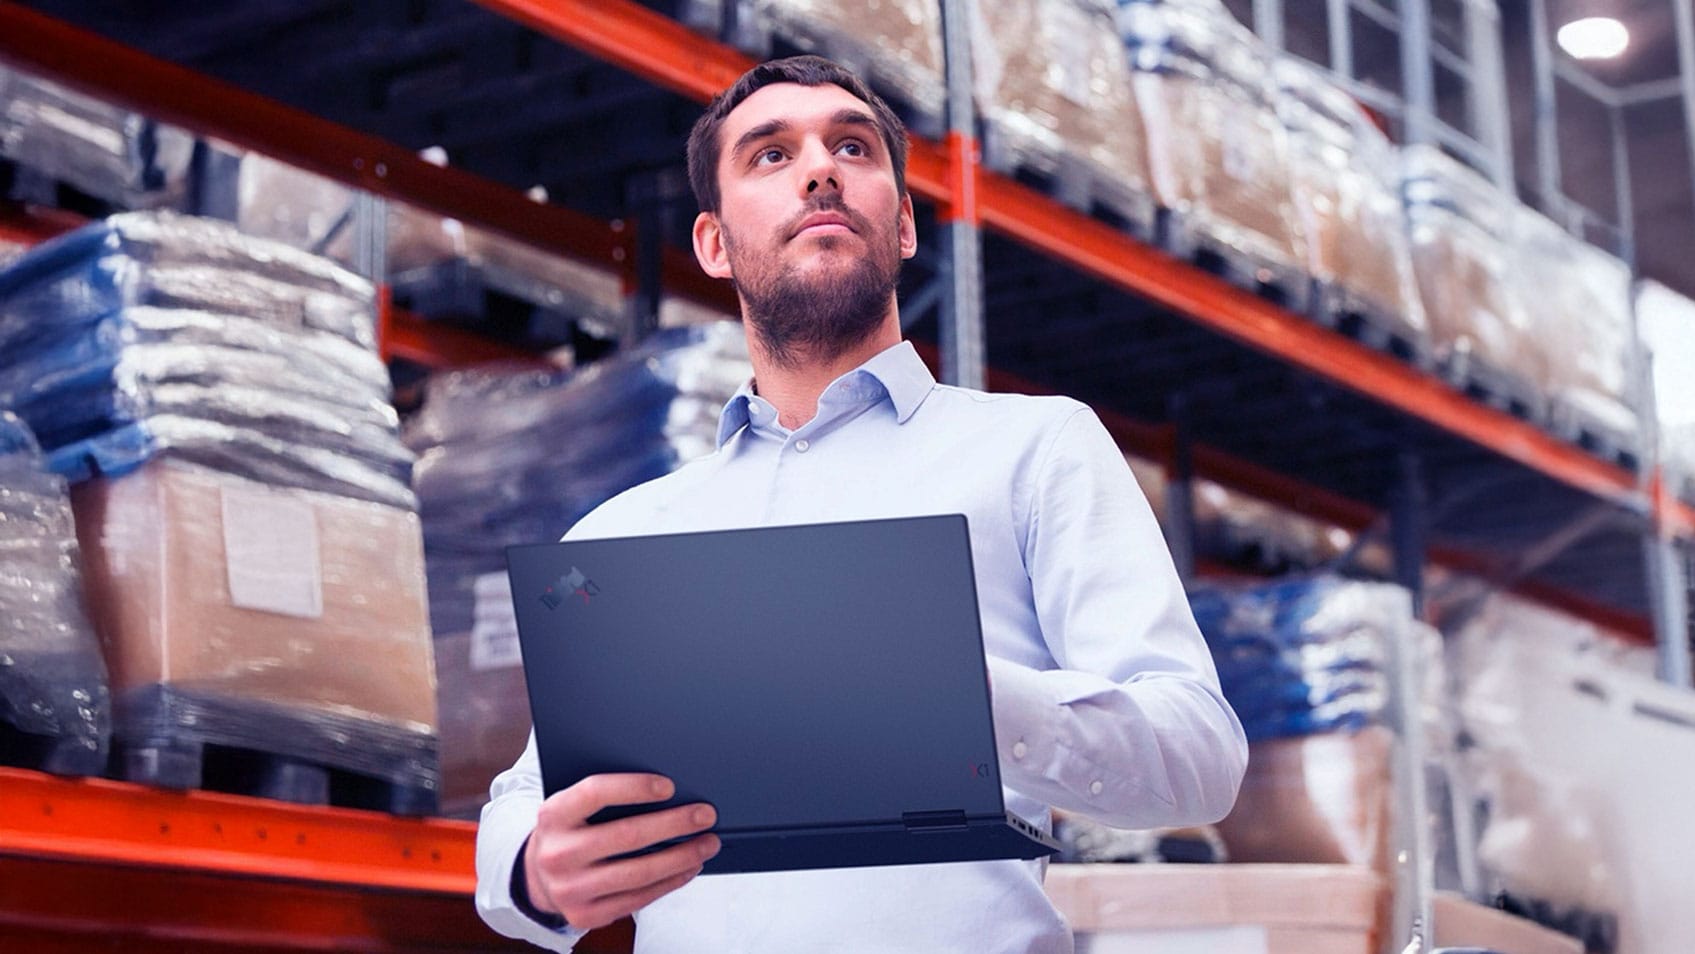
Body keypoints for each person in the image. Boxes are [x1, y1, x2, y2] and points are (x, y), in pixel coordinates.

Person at [475, 55, 1247, 953]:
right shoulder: (626, 535)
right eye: (770, 155)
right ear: (714, 244)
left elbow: (1201, 758)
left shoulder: (1035, 450)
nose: (820, 168)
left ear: (906, 224)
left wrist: (959, 696)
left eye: (853, 146)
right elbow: (522, 804)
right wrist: (534, 874)